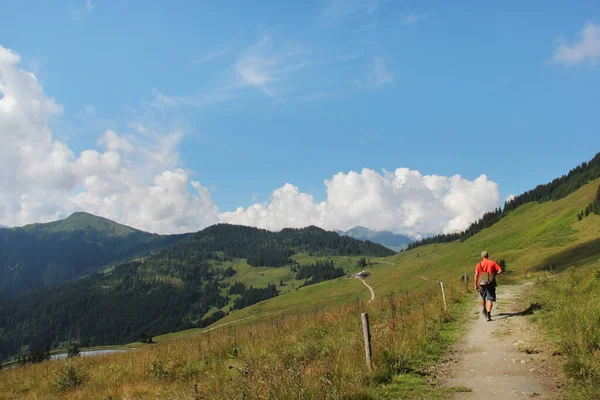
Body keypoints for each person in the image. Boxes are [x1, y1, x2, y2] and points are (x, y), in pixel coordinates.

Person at [474, 251, 503, 321]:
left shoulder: (479, 264)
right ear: (488, 256)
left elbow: (476, 275)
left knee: (483, 298)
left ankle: (484, 310)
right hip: (491, 283)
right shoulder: (492, 262)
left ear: (482, 256)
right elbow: (500, 270)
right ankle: (489, 314)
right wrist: (495, 273)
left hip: (482, 283)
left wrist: (475, 285)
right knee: (490, 299)